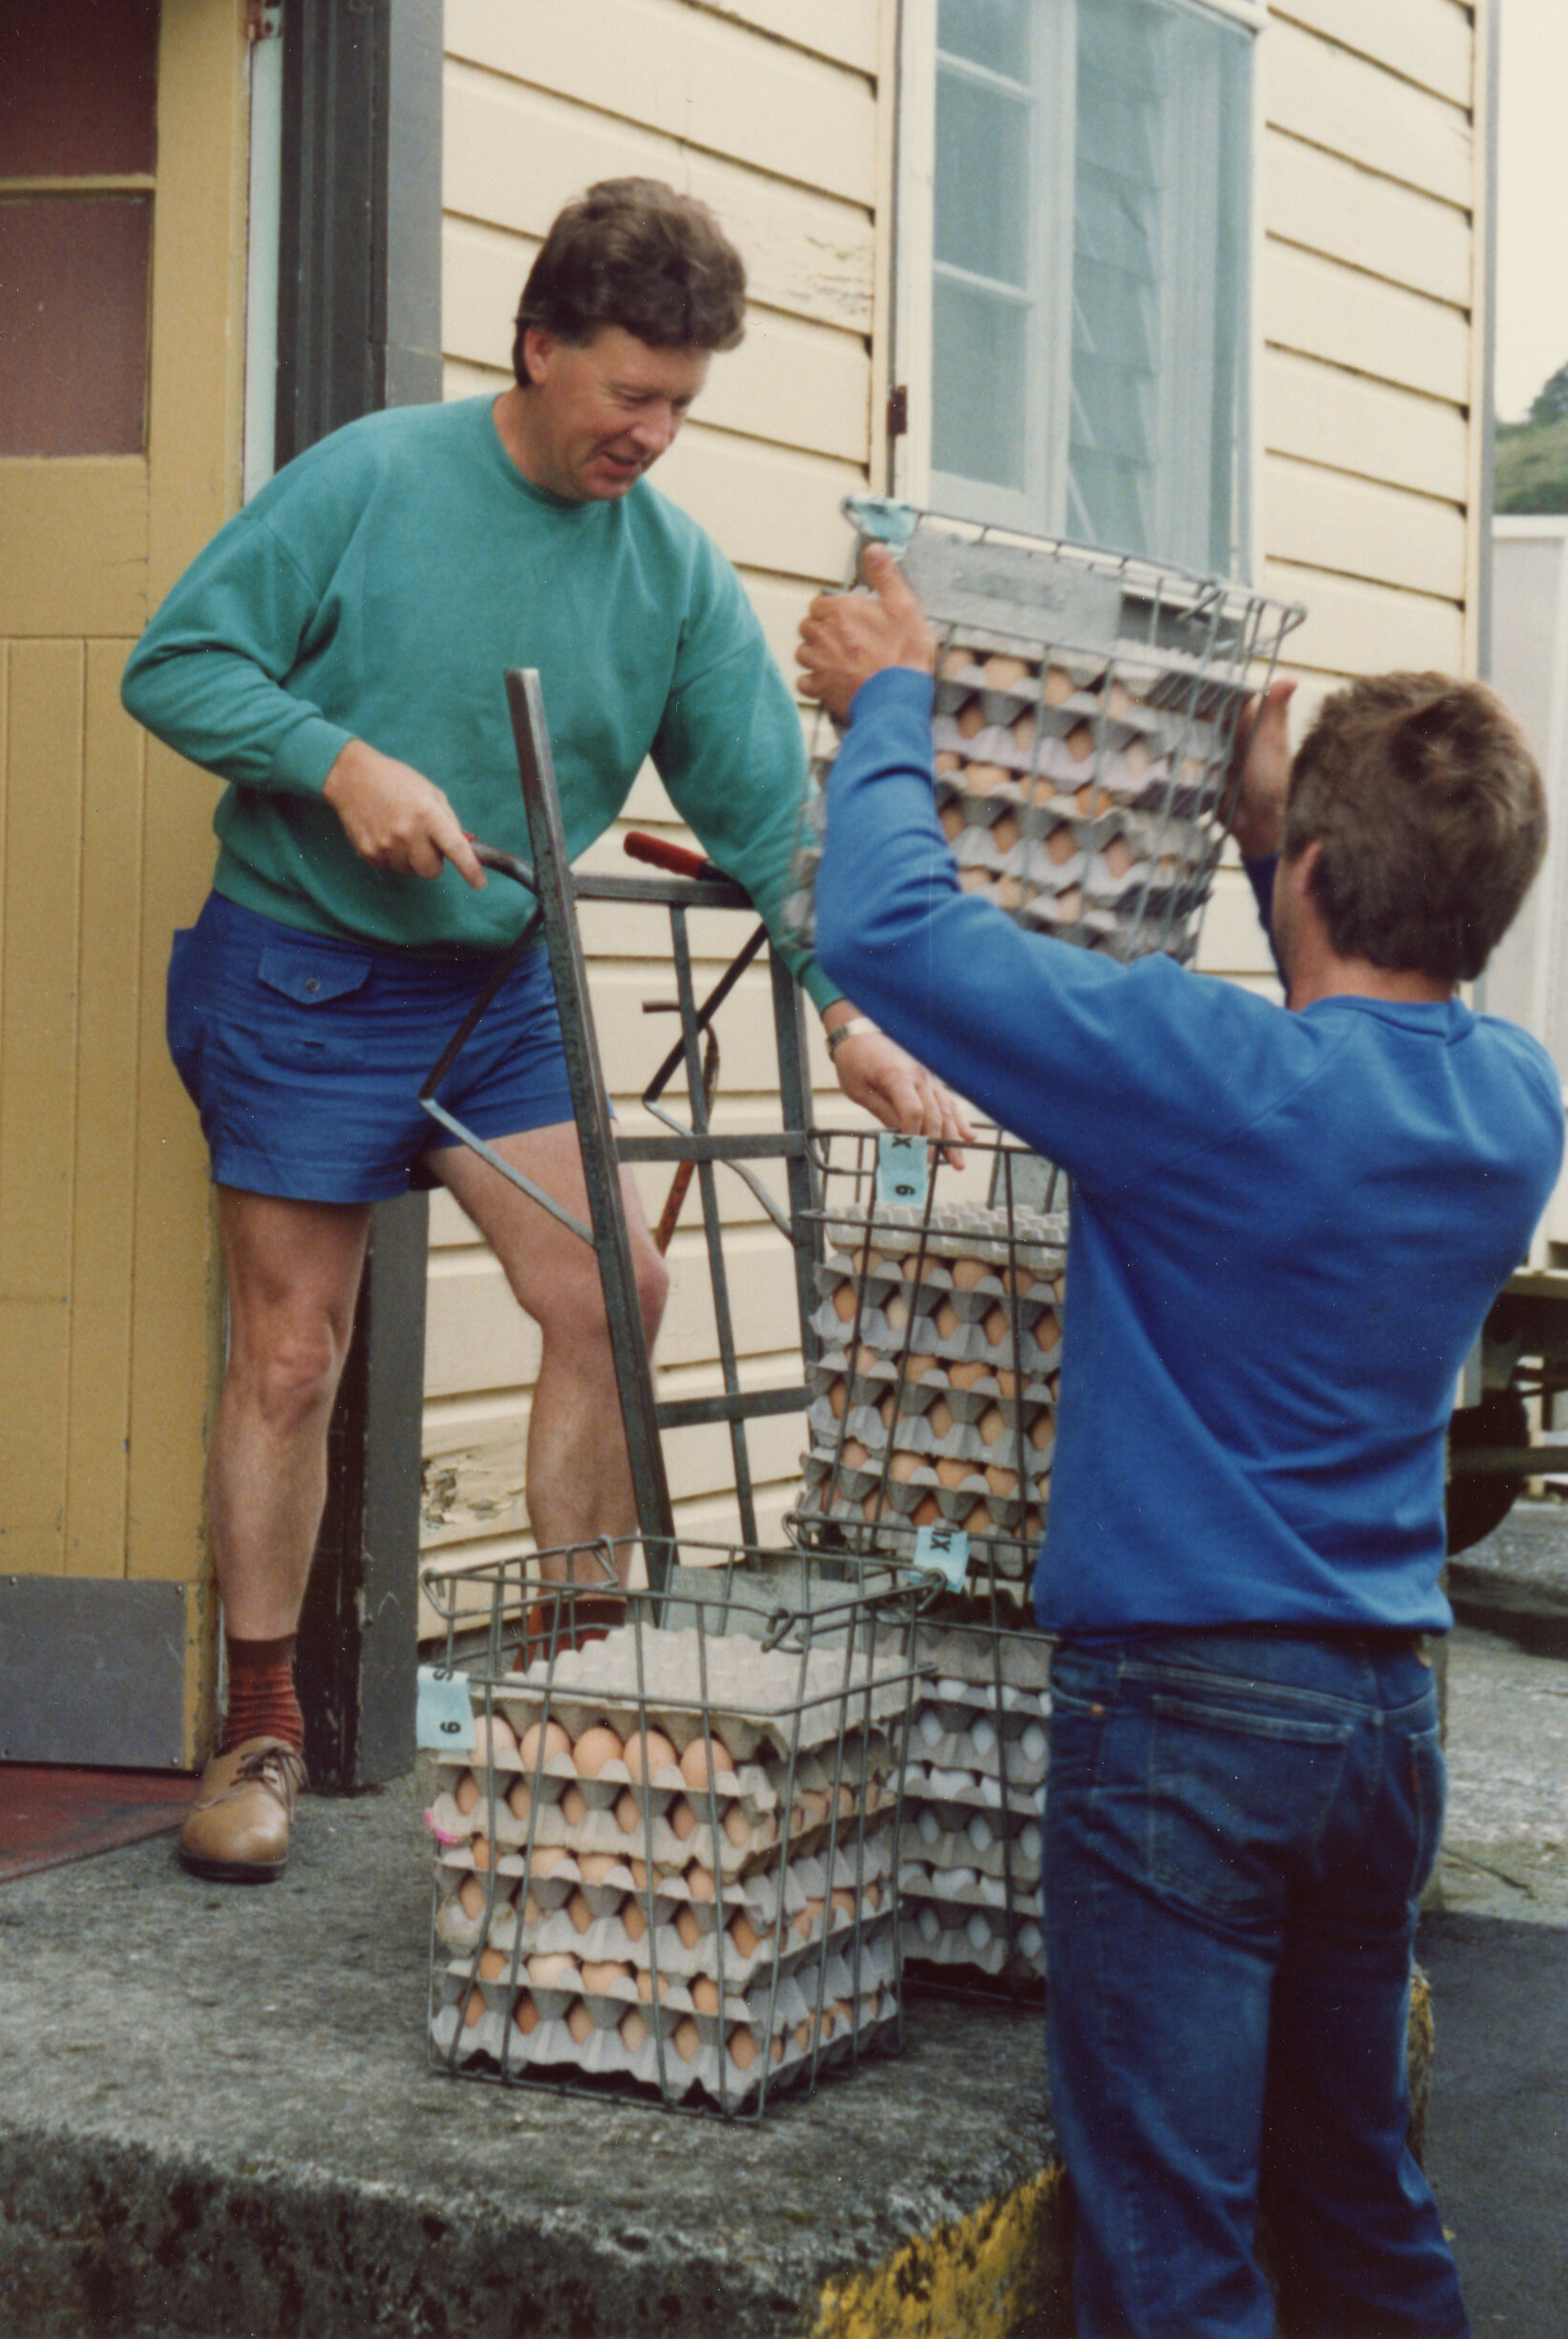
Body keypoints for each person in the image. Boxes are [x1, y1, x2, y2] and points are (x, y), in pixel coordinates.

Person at [122, 180, 957, 1885]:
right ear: (538, 349)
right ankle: (261, 1728)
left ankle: (579, 1707)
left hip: (499, 986)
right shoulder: (372, 479)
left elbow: (763, 819)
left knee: (614, 1296)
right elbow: (177, 663)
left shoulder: (671, 572)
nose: (652, 434)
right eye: (629, 393)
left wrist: (848, 1011)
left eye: (682, 404)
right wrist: (337, 762)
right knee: (293, 1354)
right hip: (301, 971)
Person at [796, 546, 1561, 2339]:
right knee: (1355, 2192)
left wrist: (889, 701)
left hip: (1186, 1720)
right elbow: (1361, 996)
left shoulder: (1204, 1076)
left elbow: (887, 932)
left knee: (1174, 2242)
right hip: (1381, 1721)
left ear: (1312, 871)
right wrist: (1280, 839)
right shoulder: (1512, 1102)